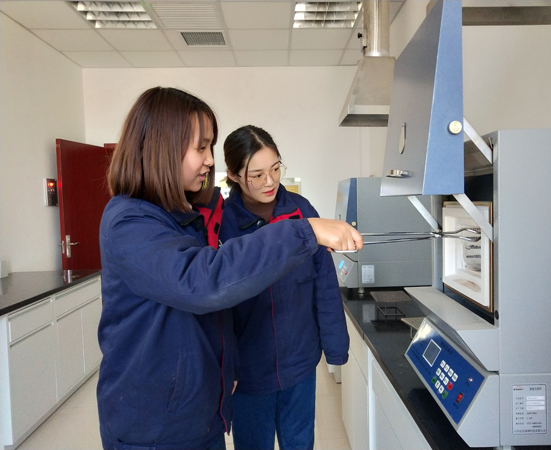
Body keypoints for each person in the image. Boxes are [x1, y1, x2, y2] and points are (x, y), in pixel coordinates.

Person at [97, 87, 362, 450]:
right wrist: (306, 231)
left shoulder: (183, 216)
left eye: (275, 169)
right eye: (201, 148)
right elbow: (206, 282)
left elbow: (322, 288)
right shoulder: (131, 223)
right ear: (163, 148)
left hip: (209, 405)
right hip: (161, 425)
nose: (209, 161)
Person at [220, 125, 350, 450]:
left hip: (300, 363)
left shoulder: (302, 212)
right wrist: (226, 367)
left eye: (276, 168)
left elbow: (324, 283)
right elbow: (218, 307)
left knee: (300, 443)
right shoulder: (224, 225)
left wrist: (335, 345)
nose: (270, 181)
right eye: (257, 174)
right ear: (233, 175)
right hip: (249, 373)